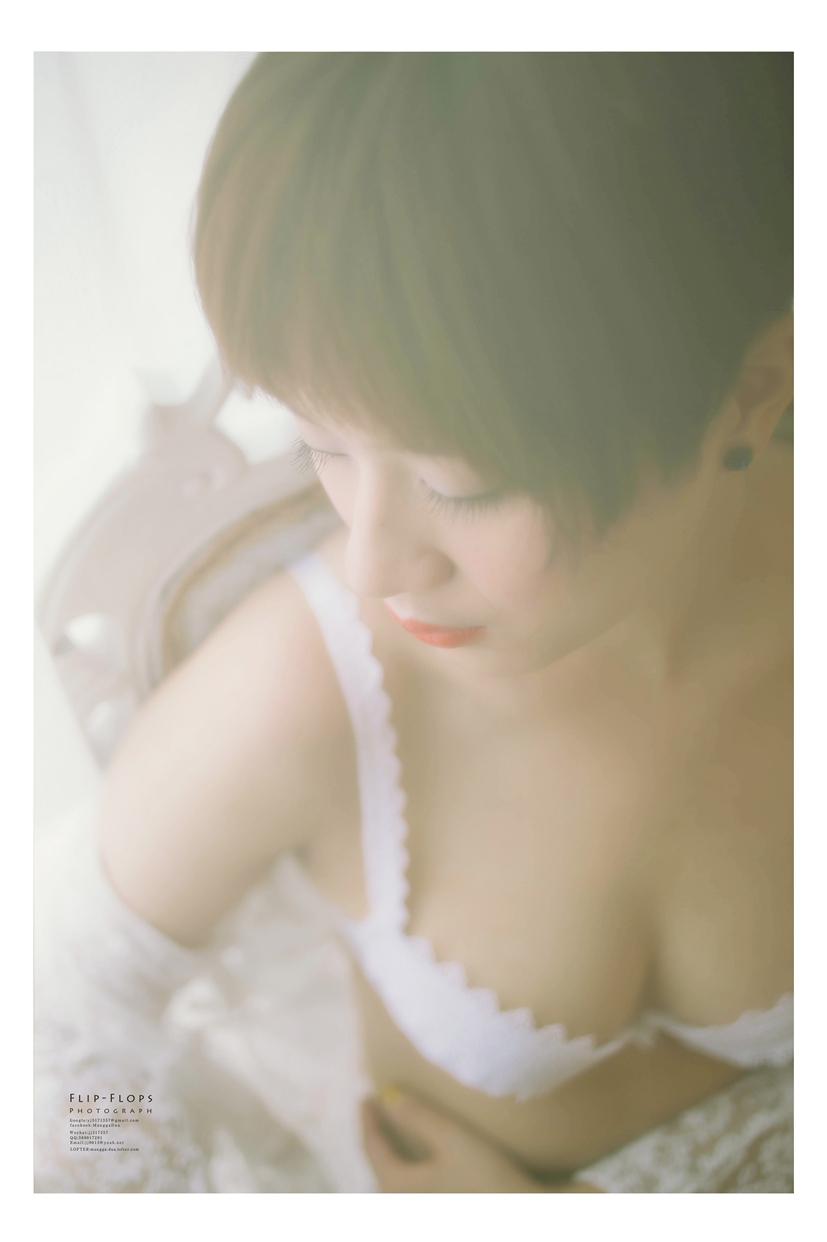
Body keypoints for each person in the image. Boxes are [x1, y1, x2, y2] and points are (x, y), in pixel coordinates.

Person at [35, 52, 793, 1193]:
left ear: (753, 390)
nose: (373, 561)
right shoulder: (305, 691)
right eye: (321, 445)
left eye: (463, 486)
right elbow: (52, 1047)